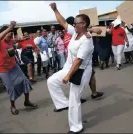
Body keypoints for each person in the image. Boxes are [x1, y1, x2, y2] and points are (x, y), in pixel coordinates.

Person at [48, 3, 101, 133]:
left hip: (81, 71)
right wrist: (55, 10)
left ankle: (77, 127)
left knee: (74, 98)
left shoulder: (86, 40)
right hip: (69, 67)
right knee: (52, 81)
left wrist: (68, 76)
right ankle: (62, 104)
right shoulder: (74, 33)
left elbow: (78, 61)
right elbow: (63, 22)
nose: (74, 24)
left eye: (76, 23)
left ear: (83, 24)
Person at [0, 22, 37, 115]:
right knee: (11, 87)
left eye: (11, 34)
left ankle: (27, 101)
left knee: (25, 81)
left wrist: (24, 41)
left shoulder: (10, 41)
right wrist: (9, 28)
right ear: (3, 34)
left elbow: (17, 42)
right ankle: (13, 106)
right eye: (8, 34)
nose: (10, 36)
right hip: (3, 70)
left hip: (13, 66)